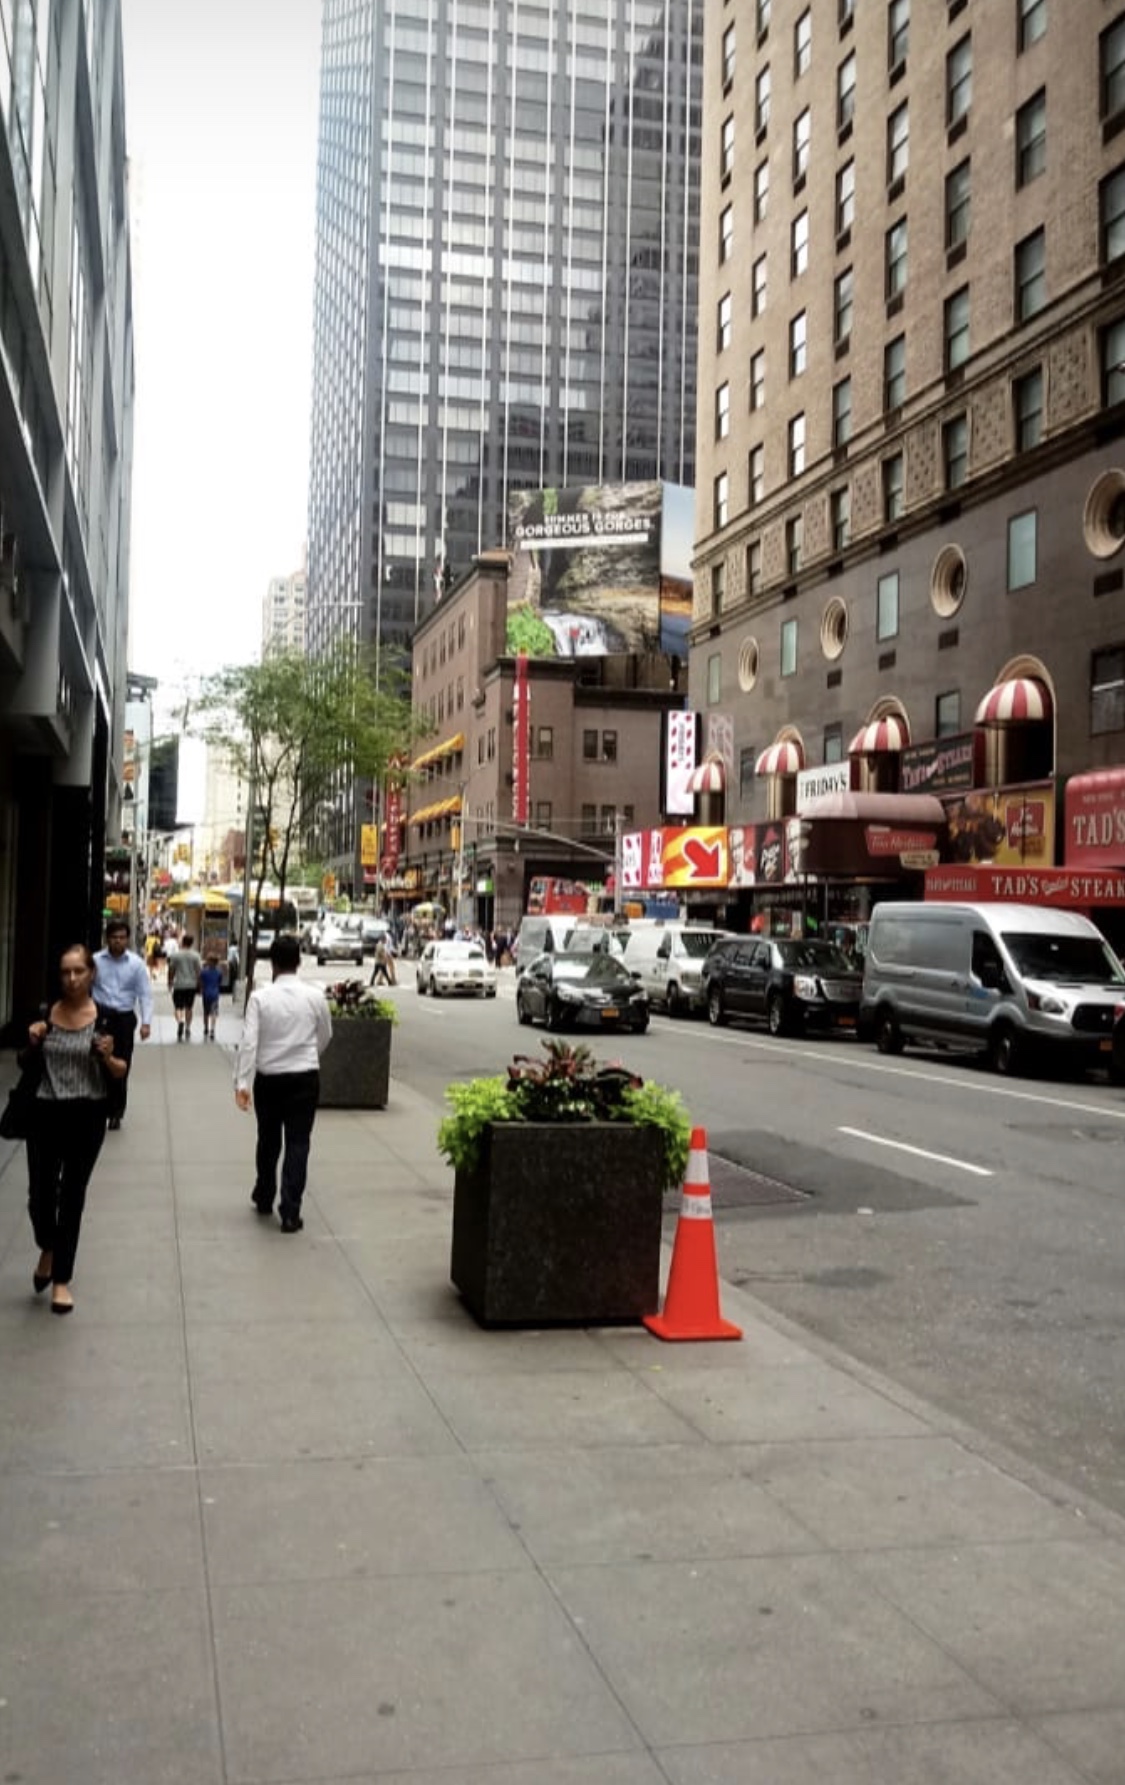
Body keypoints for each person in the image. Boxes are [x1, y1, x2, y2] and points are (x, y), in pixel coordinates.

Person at [24, 943, 127, 1315]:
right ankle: (48, 1247)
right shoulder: (44, 1014)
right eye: (65, 972)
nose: (71, 979)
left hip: (87, 1114)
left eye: (78, 971)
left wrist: (108, 1056)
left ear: (91, 974)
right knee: (40, 1196)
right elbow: (25, 1063)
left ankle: (61, 1280)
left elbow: (121, 1070)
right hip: (45, 1111)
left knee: (71, 1195)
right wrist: (33, 1040)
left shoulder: (107, 1019)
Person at [234, 933, 332, 1233]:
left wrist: (242, 1083)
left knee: (268, 1140)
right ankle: (290, 1211)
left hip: (269, 1079)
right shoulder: (315, 997)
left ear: (272, 963)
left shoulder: (260, 998)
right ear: (299, 962)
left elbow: (249, 1042)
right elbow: (326, 1035)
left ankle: (265, 1194)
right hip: (305, 1078)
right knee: (298, 1143)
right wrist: (309, 1056)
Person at [94, 917, 153, 1129]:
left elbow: (145, 994)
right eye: (114, 937)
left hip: (124, 1019)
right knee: (99, 1061)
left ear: (127, 939)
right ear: (107, 938)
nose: (118, 941)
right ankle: (100, 1106)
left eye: (122, 937)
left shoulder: (136, 964)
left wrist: (146, 1023)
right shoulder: (95, 961)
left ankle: (116, 1111)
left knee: (121, 1064)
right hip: (100, 1017)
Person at [168, 931, 202, 1041]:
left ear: (183, 942)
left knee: (178, 1007)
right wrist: (200, 985)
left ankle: (180, 1021)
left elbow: (171, 970)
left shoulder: (175, 955)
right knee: (189, 1007)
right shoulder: (196, 955)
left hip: (179, 985)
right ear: (192, 943)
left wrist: (170, 982)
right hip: (191, 985)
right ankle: (187, 1027)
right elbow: (199, 971)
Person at [199, 955, 223, 1040]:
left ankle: (206, 1028)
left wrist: (201, 990)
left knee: (206, 1012)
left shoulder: (203, 972)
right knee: (213, 1013)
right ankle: (212, 1029)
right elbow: (219, 982)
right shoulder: (219, 972)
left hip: (206, 994)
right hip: (215, 994)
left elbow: (201, 982)